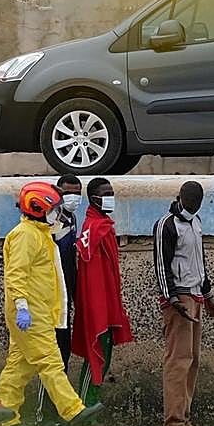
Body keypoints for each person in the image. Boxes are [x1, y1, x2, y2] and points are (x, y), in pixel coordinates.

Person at [0, 181, 102, 426]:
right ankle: (73, 410)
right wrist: (22, 305)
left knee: (19, 367)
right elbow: (16, 274)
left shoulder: (39, 234)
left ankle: (3, 415)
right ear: (38, 209)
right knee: (50, 361)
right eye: (53, 209)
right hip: (31, 312)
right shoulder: (26, 236)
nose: (57, 214)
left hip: (36, 310)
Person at [154, 180, 214, 426]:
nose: (193, 206)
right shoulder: (167, 225)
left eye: (197, 203)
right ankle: (173, 421)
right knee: (178, 360)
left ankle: (185, 415)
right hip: (180, 298)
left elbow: (199, 263)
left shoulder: (196, 222)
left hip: (196, 295)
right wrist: (172, 299)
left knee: (192, 360)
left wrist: (208, 295)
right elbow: (161, 266)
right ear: (180, 198)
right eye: (190, 202)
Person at [71, 177, 133, 413]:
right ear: (94, 198)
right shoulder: (93, 229)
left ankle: (91, 405)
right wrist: (98, 313)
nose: (110, 197)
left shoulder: (103, 226)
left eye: (111, 193)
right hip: (98, 306)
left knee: (104, 358)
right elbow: (91, 277)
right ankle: (85, 407)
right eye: (106, 194)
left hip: (107, 303)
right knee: (95, 356)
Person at [35, 175, 81, 426]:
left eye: (77, 193)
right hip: (48, 300)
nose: (72, 198)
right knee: (50, 358)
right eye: (67, 193)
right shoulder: (48, 220)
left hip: (64, 299)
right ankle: (43, 414)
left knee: (62, 356)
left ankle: (59, 412)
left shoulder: (71, 220)